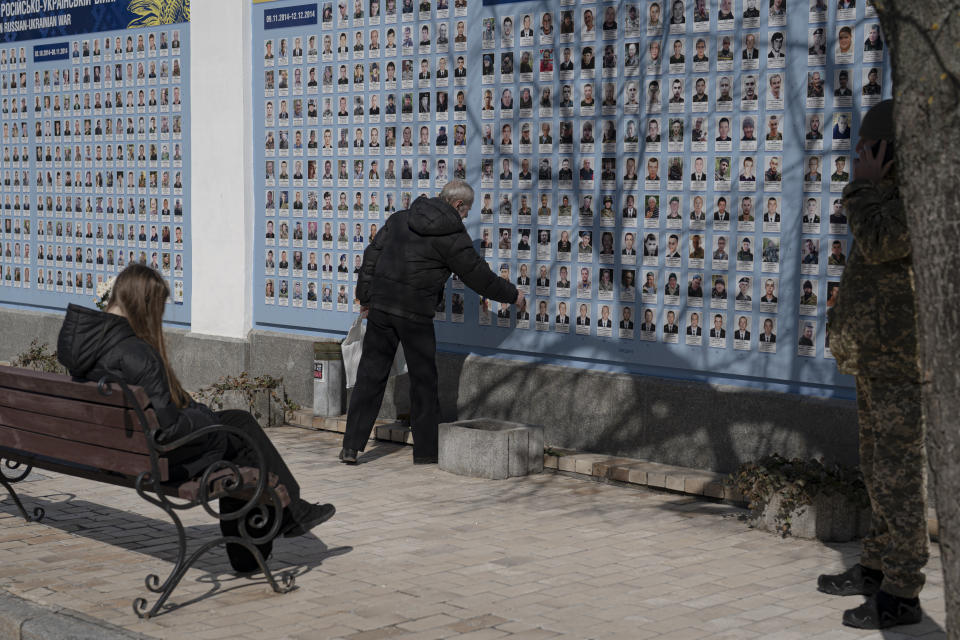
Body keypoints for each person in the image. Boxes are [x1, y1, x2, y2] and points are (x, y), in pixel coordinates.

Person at [56, 265, 334, 573]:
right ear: (144, 304)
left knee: (237, 424)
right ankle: (277, 526)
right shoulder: (136, 353)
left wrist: (199, 414)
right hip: (157, 459)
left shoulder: (84, 345)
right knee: (238, 438)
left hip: (114, 451)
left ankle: (283, 521)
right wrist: (204, 418)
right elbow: (170, 430)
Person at [819, 100, 929, 630]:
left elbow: (885, 241)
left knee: (899, 478)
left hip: (903, 364)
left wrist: (863, 186)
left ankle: (903, 593)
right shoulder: (886, 193)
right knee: (877, 471)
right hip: (875, 358)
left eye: (867, 149)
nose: (858, 157)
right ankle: (876, 566)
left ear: (890, 151)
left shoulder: (921, 195)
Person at [341, 182, 520, 465]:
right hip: (415, 315)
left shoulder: (401, 218)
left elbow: (372, 255)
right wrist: (514, 295)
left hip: (382, 309)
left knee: (369, 377)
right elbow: (479, 277)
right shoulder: (452, 235)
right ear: (458, 205)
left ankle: (350, 447)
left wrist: (365, 297)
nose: (465, 217)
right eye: (467, 211)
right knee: (424, 382)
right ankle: (426, 452)